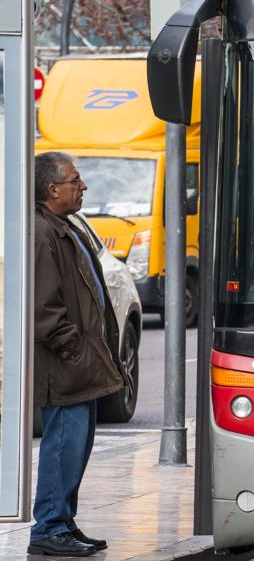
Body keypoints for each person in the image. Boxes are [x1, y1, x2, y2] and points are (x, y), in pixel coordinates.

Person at [30, 152, 125, 557]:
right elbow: (44, 309)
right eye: (75, 180)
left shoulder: (64, 227)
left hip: (78, 360)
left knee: (76, 446)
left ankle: (63, 521)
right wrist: (74, 349)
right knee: (63, 444)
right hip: (65, 363)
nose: (82, 187)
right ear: (53, 189)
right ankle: (49, 526)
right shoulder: (42, 232)